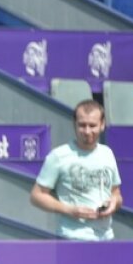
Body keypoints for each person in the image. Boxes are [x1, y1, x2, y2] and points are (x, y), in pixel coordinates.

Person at [29, 99, 122, 241]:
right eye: (82, 125)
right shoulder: (58, 156)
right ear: (74, 125)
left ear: (102, 125)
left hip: (106, 238)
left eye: (92, 125)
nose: (87, 131)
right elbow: (36, 196)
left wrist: (113, 203)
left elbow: (116, 193)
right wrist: (69, 210)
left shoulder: (107, 153)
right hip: (71, 237)